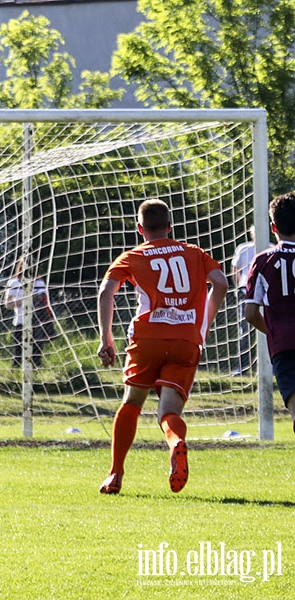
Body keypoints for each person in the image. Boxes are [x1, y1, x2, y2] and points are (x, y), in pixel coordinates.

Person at [96, 199, 227, 495]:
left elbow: (106, 292)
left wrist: (107, 338)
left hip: (148, 338)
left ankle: (115, 473)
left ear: (140, 228)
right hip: (186, 339)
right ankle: (175, 442)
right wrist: (203, 323)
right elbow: (220, 283)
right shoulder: (194, 252)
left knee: (132, 402)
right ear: (170, 226)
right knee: (168, 411)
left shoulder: (132, 256)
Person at [244, 193, 295, 434]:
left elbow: (251, 312)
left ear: (273, 227)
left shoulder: (263, 260)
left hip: (284, 346)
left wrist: (271, 331)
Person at [3, 261, 53, 368]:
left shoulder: (40, 283)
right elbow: (8, 304)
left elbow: (46, 302)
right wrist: (24, 300)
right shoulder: (14, 283)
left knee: (36, 352)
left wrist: (37, 299)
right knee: (19, 352)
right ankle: (15, 376)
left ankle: (36, 376)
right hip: (20, 322)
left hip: (37, 322)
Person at [230, 227, 256, 375]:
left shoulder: (270, 248)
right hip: (245, 291)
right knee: (244, 330)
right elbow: (235, 268)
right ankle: (242, 368)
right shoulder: (243, 248)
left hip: (265, 292)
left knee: (268, 330)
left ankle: (268, 367)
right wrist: (238, 285)